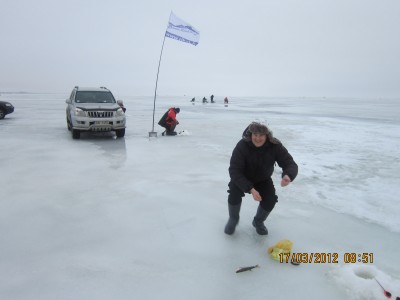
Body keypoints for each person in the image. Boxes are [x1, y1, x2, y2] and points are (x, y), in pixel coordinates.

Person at [224, 121, 298, 235]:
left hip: (263, 179)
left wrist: (288, 175)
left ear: (267, 135)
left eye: (261, 135)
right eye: (255, 135)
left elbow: (289, 163)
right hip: (242, 178)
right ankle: (233, 219)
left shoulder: (275, 146)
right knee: (234, 192)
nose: (258, 138)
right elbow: (234, 171)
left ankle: (258, 221)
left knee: (270, 200)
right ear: (251, 134)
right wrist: (250, 189)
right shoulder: (242, 145)